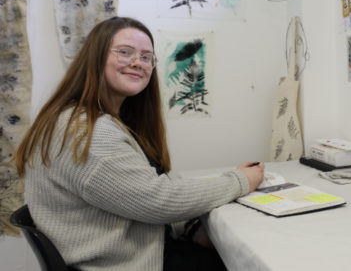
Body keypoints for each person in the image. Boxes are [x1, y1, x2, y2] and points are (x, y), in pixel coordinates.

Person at [15, 16, 264, 270]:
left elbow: (140, 190)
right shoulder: (88, 132)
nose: (137, 63)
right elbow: (158, 201)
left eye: (146, 57)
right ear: (96, 57)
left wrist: (186, 229)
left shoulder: (83, 118)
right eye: (125, 52)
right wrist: (240, 181)